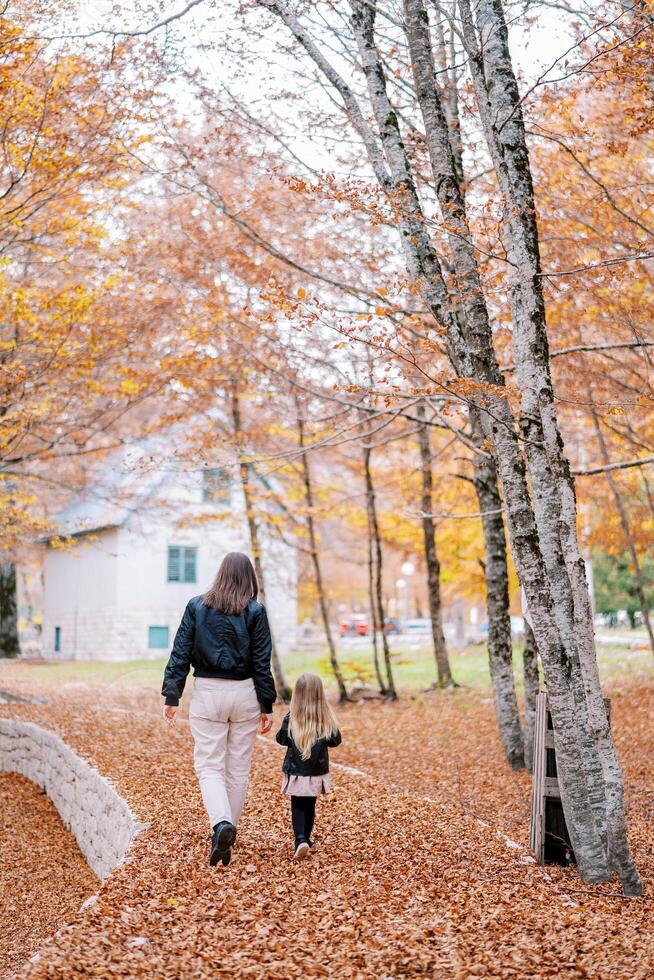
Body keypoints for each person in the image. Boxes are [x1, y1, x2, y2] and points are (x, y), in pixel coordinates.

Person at [161, 552, 276, 868]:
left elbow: (180, 653)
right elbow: (261, 662)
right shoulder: (255, 611)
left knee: (209, 765)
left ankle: (221, 824)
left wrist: (172, 696)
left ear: (220, 574)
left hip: (208, 692)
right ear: (248, 577)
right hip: (245, 694)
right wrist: (267, 704)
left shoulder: (197, 606)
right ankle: (227, 833)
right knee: (237, 767)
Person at [275, 672, 341, 860]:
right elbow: (336, 741)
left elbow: (281, 739)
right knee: (310, 805)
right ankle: (307, 839)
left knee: (297, 805)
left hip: (296, 770)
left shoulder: (292, 718)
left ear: (297, 694)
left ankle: (300, 839)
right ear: (319, 694)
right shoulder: (325, 719)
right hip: (316, 771)